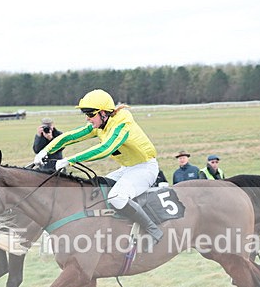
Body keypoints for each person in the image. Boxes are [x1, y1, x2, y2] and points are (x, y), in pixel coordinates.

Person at [33, 89, 163, 243]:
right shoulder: (100, 124)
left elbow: (105, 149)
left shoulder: (122, 124)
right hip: (126, 169)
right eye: (86, 114)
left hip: (145, 168)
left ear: (103, 113)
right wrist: (45, 150)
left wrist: (69, 160)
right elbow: (70, 136)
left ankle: (153, 231)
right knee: (95, 193)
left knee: (117, 198)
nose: (88, 119)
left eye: (90, 114)